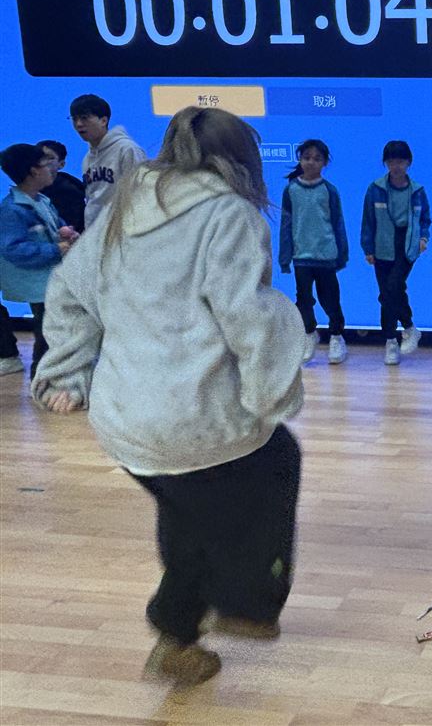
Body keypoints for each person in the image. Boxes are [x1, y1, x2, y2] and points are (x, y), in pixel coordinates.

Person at [32, 106, 306, 688]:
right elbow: (248, 316)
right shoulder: (229, 214)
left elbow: (68, 291)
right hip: (195, 418)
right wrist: (269, 393)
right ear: (241, 160)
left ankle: (177, 639)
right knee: (275, 462)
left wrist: (66, 374)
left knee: (188, 510)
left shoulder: (124, 207)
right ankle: (246, 605)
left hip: (126, 421)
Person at [0, 143, 76, 379]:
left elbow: (54, 224)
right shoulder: (12, 209)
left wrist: (64, 231)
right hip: (37, 285)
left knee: (54, 330)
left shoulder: (42, 200)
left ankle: (51, 377)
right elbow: (13, 249)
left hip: (51, 280)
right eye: (46, 163)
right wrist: (56, 249)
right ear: (33, 171)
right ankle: (42, 378)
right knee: (47, 333)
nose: (52, 168)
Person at [279, 139, 349, 365]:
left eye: (317, 158)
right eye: (306, 157)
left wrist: (342, 254)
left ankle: (336, 336)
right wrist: (285, 257)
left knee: (330, 300)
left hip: (326, 255)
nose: (311, 162)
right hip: (301, 257)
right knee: (303, 300)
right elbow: (286, 225)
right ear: (300, 159)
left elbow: (338, 223)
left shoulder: (329, 190)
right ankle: (309, 334)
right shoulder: (291, 190)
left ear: (325, 163)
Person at [361, 140, 430, 364]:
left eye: (400, 161)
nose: (396, 166)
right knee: (386, 294)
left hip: (406, 244)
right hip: (382, 244)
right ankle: (391, 341)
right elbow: (368, 221)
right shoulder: (375, 189)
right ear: (386, 163)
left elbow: (425, 218)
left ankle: (408, 327)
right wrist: (368, 248)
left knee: (393, 286)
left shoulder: (417, 190)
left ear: (408, 162)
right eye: (391, 161)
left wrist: (423, 238)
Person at [72, 94, 147, 229]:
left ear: (103, 120)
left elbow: (140, 193)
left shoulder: (127, 149)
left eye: (84, 118)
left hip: (122, 230)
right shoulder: (87, 158)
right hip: (95, 232)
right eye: (74, 119)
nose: (79, 124)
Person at [37, 139, 87, 233]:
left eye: (49, 158)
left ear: (61, 164)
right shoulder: (27, 187)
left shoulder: (69, 191)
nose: (43, 161)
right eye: (39, 157)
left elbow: (72, 229)